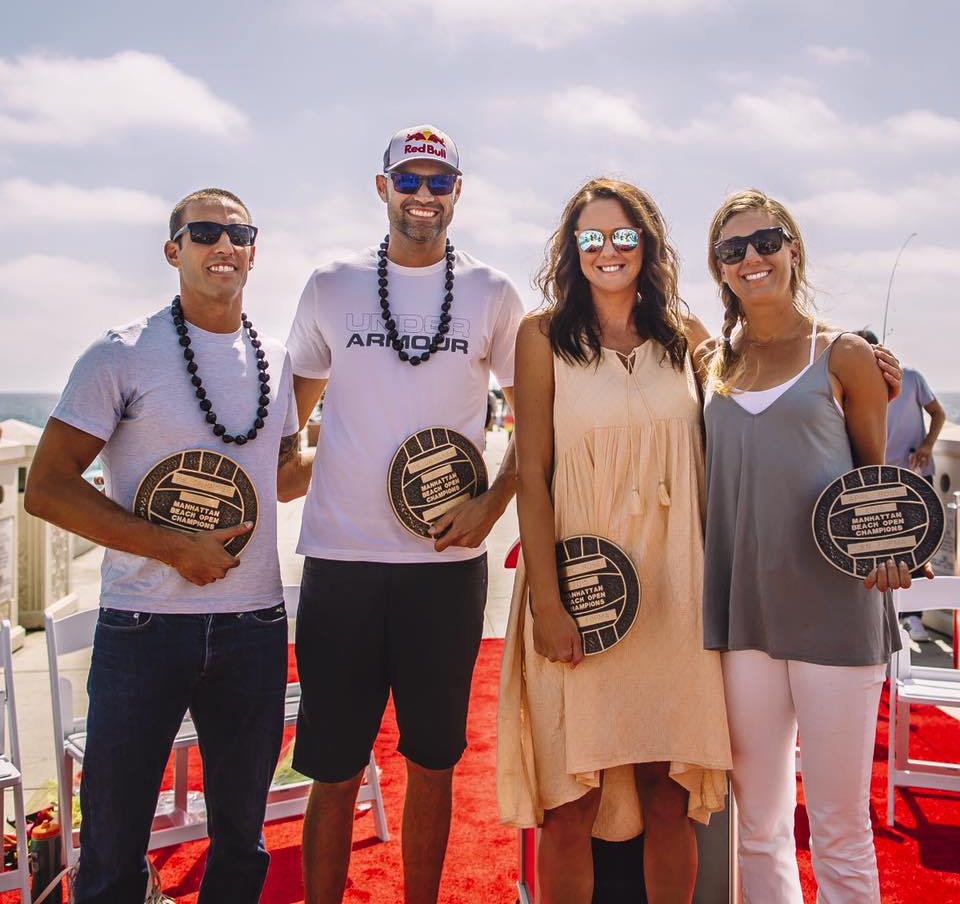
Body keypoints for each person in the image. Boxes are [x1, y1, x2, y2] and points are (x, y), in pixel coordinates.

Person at [24, 188, 307, 903]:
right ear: (173, 249)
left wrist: (357, 439)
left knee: (242, 842)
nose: (223, 245)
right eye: (204, 231)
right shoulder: (120, 353)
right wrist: (172, 547)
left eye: (238, 232)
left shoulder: (275, 361)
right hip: (143, 628)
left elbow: (279, 479)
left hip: (254, 626)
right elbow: (48, 488)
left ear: (254, 248)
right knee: (115, 848)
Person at [285, 124, 525, 904]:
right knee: (332, 767)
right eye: (409, 181)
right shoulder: (331, 283)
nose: (423, 197)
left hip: (444, 568)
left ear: (458, 192)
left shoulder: (492, 292)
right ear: (381, 186)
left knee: (433, 761)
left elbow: (535, 419)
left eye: (439, 183)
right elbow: (287, 414)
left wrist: (492, 505)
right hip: (342, 562)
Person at [498, 178, 732, 904]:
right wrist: (547, 602)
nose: (608, 250)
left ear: (648, 245)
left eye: (623, 236)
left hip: (674, 588)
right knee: (570, 806)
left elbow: (760, 397)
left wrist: (855, 368)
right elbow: (532, 477)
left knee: (669, 796)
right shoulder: (539, 336)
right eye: (591, 237)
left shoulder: (687, 338)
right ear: (572, 249)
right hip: (581, 586)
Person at [697, 188, 926, 903]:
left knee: (837, 826)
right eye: (732, 250)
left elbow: (877, 488)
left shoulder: (845, 355)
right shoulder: (708, 365)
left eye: (765, 241)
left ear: (793, 246)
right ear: (720, 270)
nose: (752, 258)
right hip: (743, 623)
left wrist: (893, 550)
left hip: (837, 618)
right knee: (757, 827)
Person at [855, 328, 946, 641]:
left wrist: (927, 446)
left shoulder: (912, 378)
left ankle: (914, 618)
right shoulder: (851, 386)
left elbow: (938, 413)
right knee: (879, 551)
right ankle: (885, 615)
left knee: (917, 547)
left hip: (916, 476)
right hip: (879, 480)